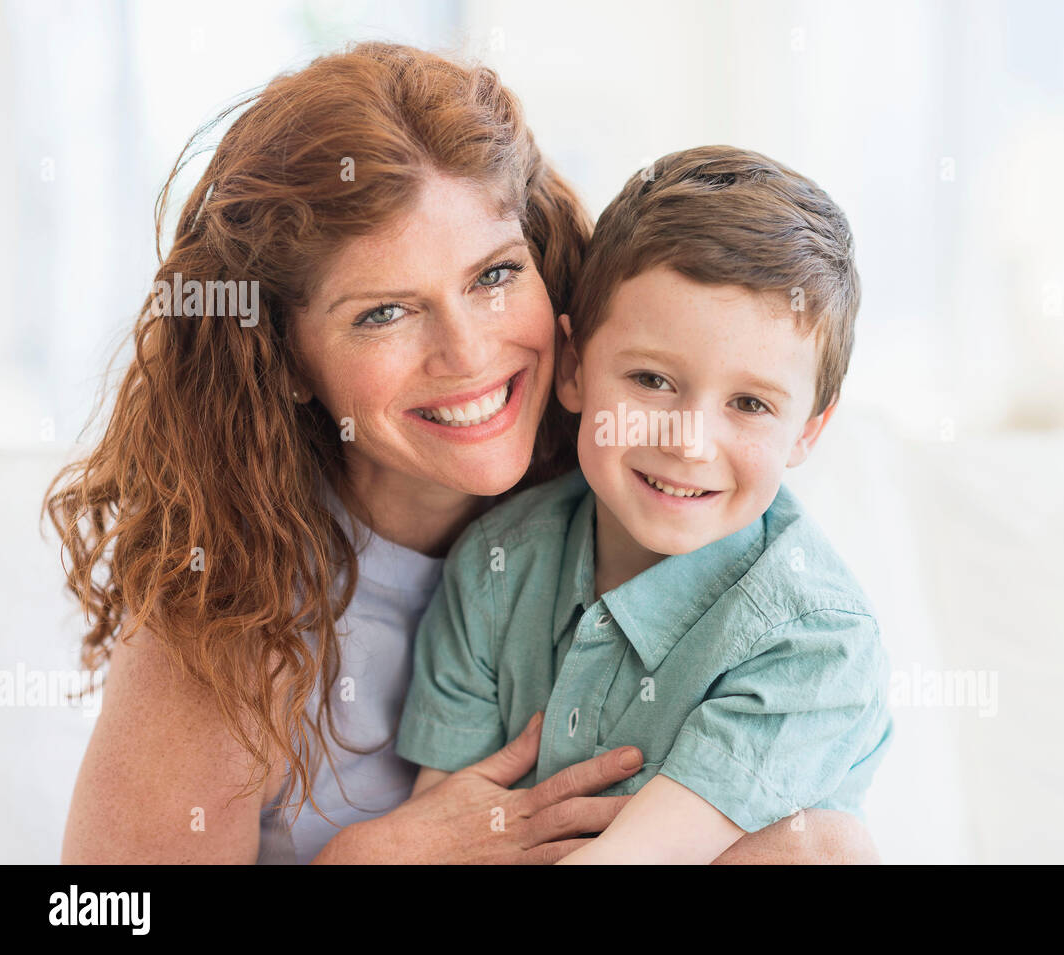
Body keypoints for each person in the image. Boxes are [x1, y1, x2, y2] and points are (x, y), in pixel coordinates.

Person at [45, 43, 879, 863]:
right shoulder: (232, 610)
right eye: (383, 313)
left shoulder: (639, 490)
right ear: (287, 359)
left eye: (492, 277)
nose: (470, 355)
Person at [396, 146, 893, 863]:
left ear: (808, 429)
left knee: (824, 849)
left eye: (750, 403)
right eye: (653, 380)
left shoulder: (818, 639)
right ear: (573, 367)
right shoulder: (497, 564)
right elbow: (438, 837)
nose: (690, 442)